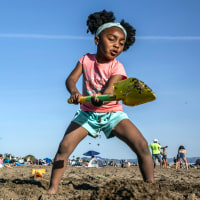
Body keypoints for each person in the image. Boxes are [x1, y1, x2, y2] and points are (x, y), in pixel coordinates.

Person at [48, 10, 154, 194]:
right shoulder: (85, 60)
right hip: (87, 114)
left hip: (113, 114)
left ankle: (150, 186)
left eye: (121, 43)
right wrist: (74, 92)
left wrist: (102, 97)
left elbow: (110, 90)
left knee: (142, 145)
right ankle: (52, 188)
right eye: (112, 39)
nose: (117, 45)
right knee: (64, 147)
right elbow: (70, 80)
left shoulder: (118, 66)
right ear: (97, 40)